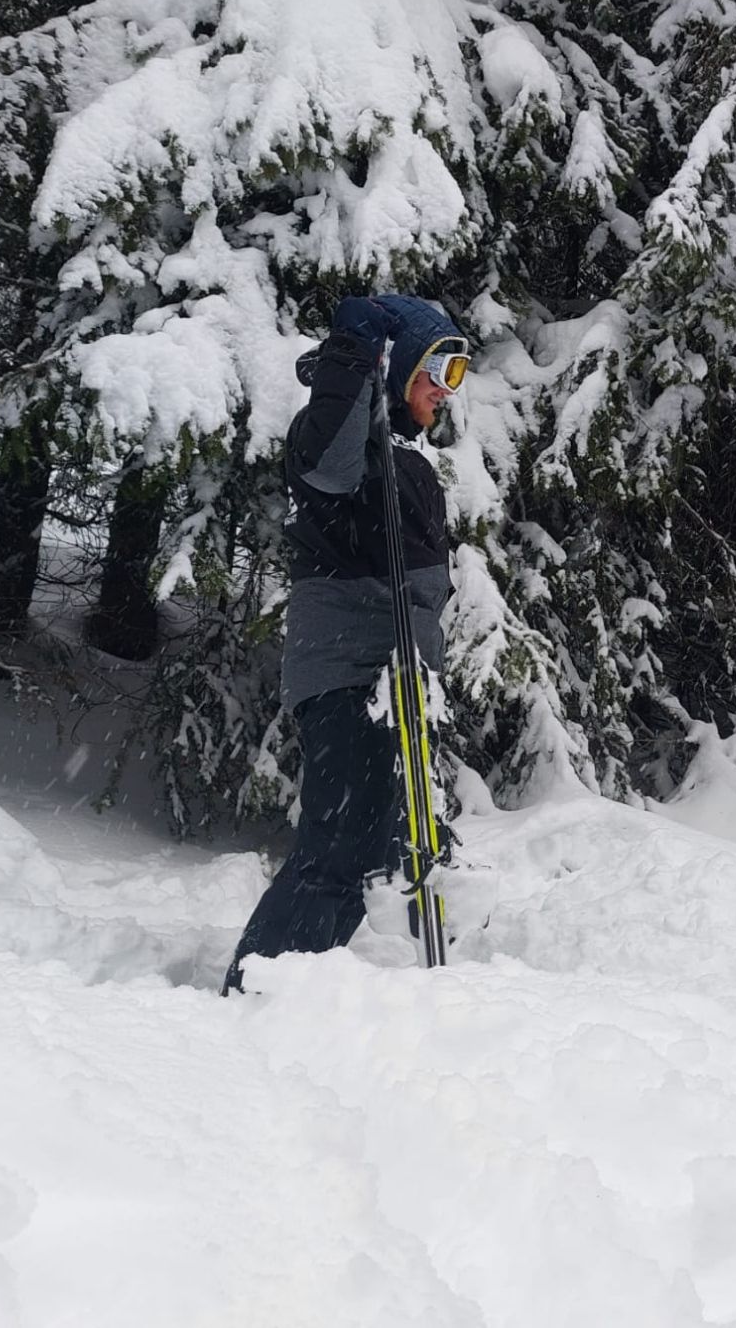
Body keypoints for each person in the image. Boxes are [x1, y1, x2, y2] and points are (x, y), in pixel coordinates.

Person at [224, 295, 468, 993]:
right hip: (347, 672)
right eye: (437, 368)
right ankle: (257, 992)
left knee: (369, 848)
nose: (444, 391)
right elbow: (329, 468)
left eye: (457, 374)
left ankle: (296, 989)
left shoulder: (397, 455)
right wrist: (353, 349)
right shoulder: (335, 436)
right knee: (340, 847)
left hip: (395, 679)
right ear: (396, 369)